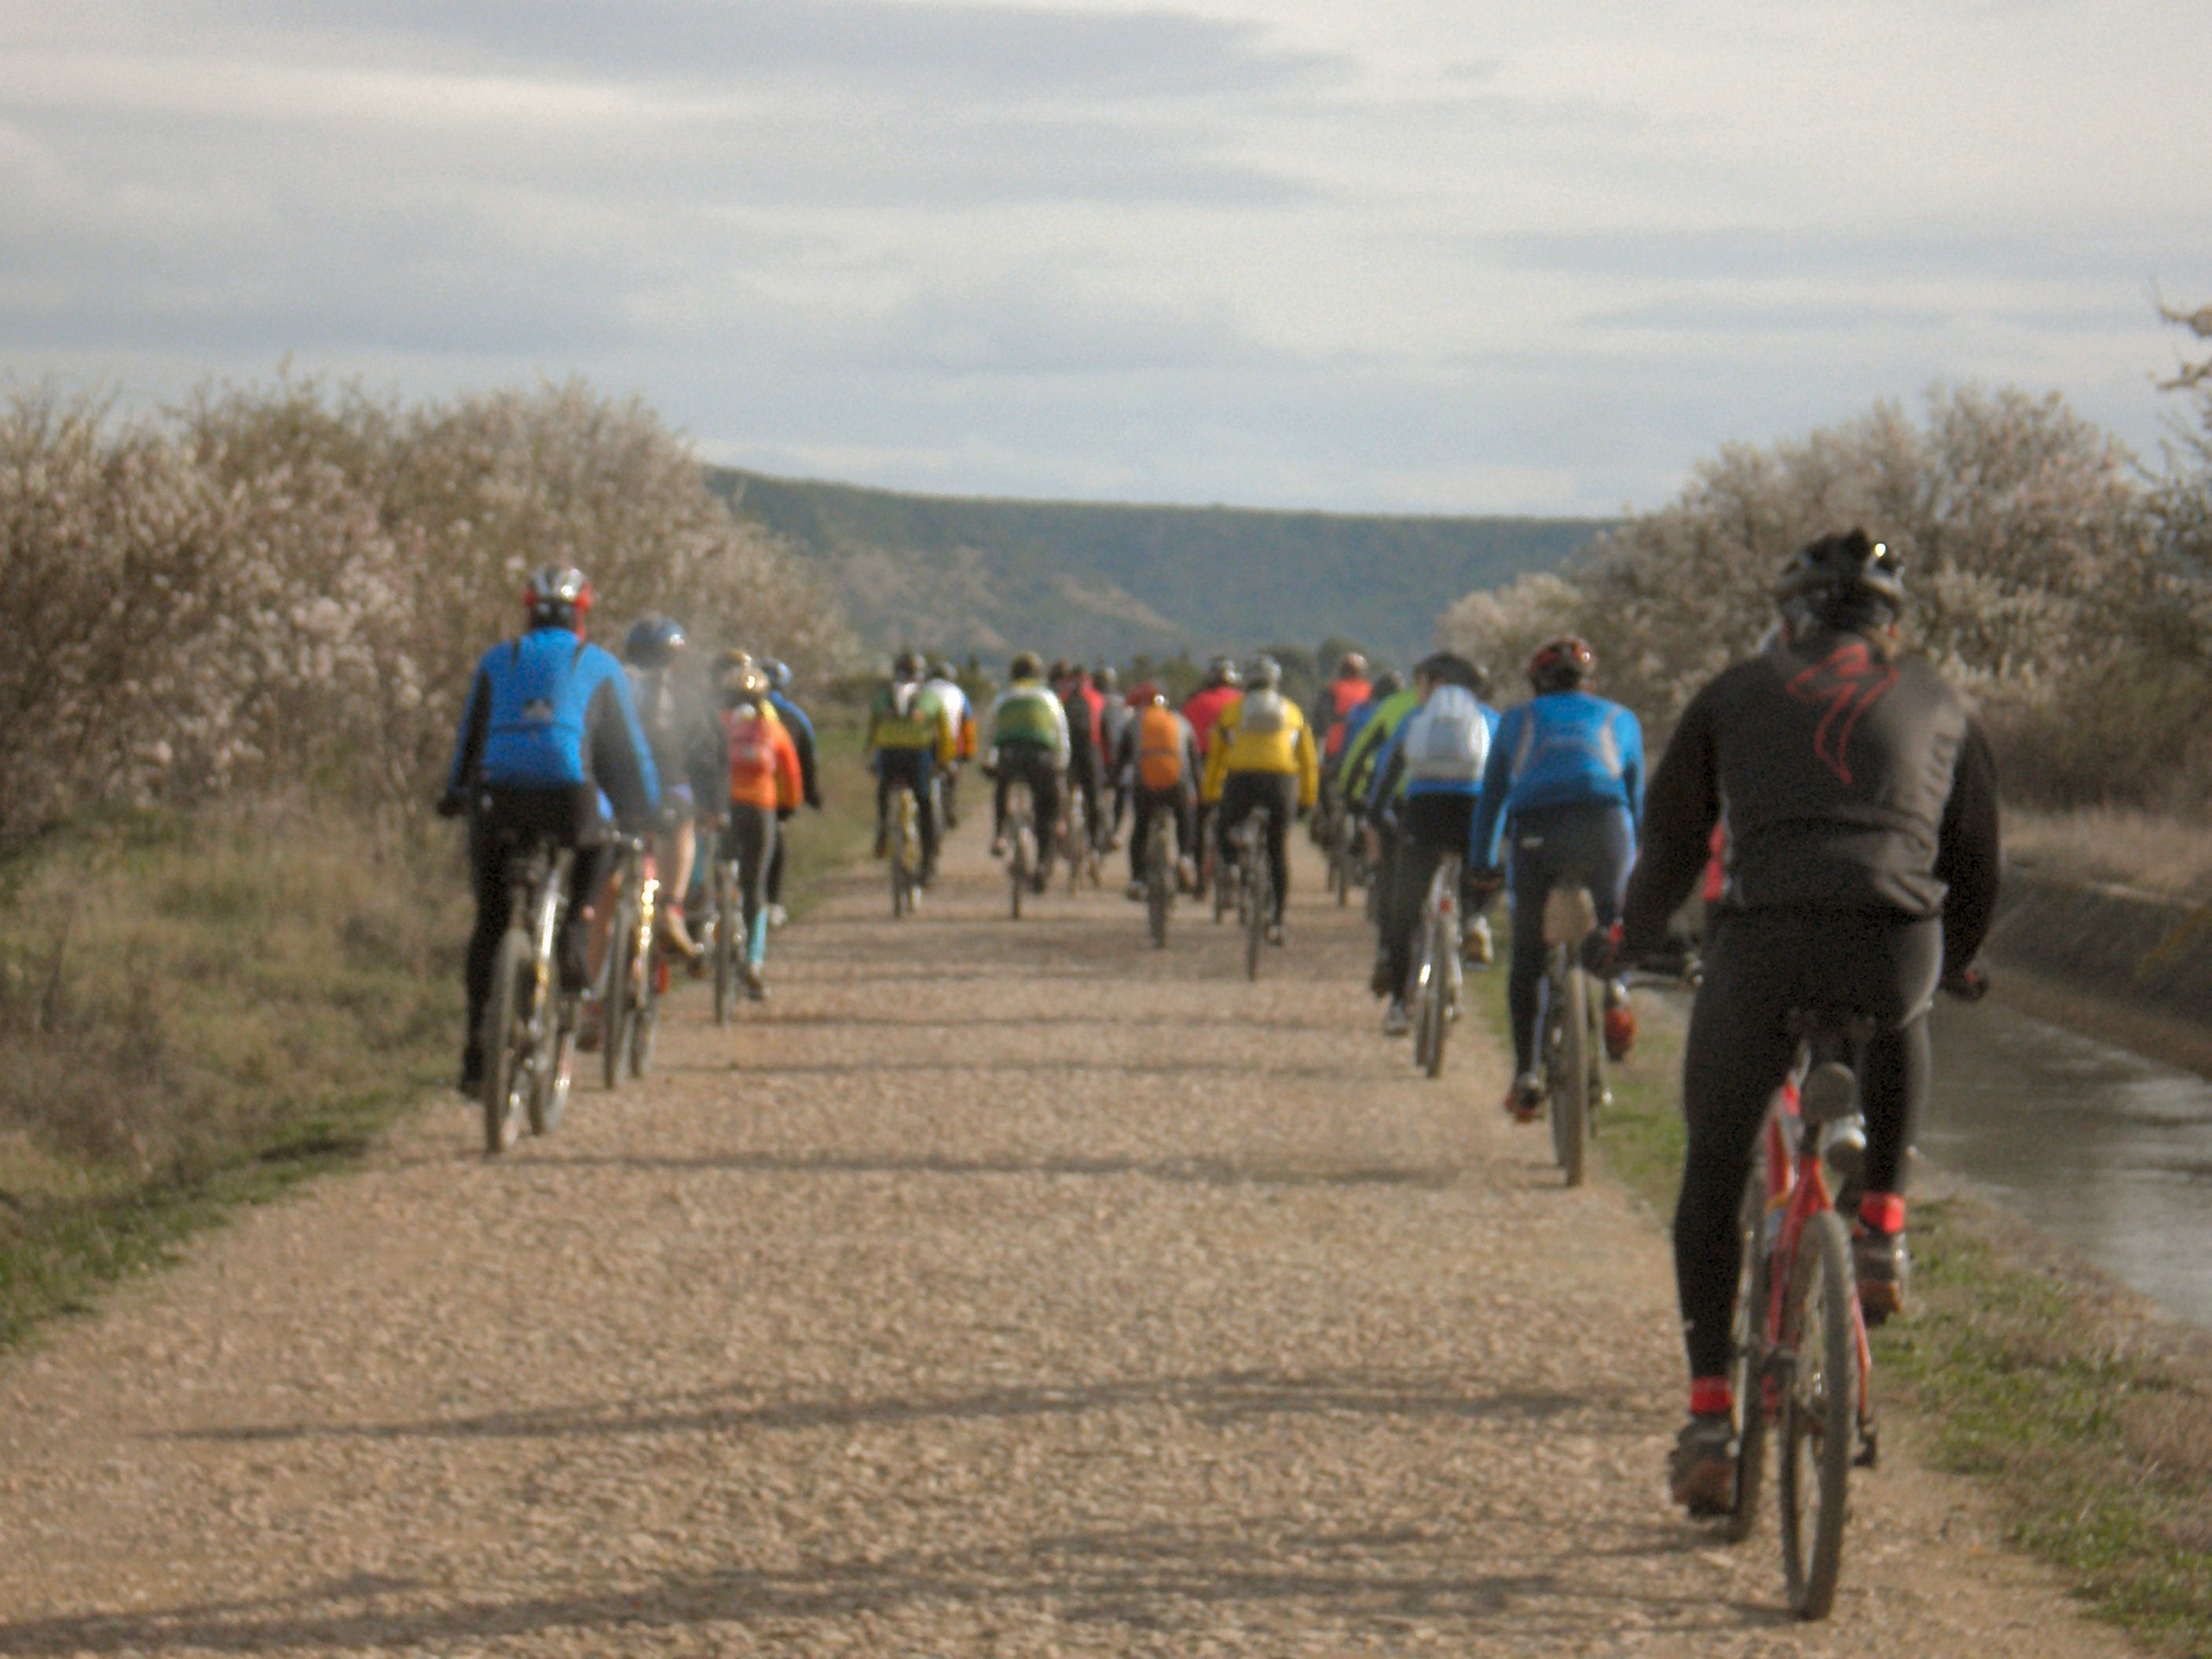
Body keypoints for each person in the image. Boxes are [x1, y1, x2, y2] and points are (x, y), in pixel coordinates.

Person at [1610, 530, 1998, 1514]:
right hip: (1892, 946)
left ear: (1787, 619)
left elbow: (1670, 843)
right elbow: (1976, 861)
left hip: (1763, 945)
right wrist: (1955, 958)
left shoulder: (1732, 692)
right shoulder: (1941, 701)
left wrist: (1627, 941)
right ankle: (1881, 1230)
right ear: (1890, 625)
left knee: (1712, 1168)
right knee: (1903, 1006)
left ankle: (1709, 1420)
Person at [438, 566, 658, 1096]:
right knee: (600, 842)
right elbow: (627, 751)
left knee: (491, 922)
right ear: (582, 615)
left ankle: (476, 1056)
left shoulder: (497, 660)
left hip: (497, 800)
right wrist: (646, 810)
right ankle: (576, 930)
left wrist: (454, 793)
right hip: (570, 800)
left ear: (528, 612)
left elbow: (470, 737)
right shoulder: (599, 664)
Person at [1469, 636, 1644, 1119]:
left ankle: (1526, 1073)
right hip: (1605, 829)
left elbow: (1492, 799)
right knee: (1612, 925)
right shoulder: (1620, 718)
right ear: (1590, 682)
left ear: (1536, 683)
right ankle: (1616, 990)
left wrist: (1482, 861)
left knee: (1529, 955)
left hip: (1538, 831)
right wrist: (1641, 865)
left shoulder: (1516, 720)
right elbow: (1636, 802)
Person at [1364, 654, 1496, 1035]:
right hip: (1473, 811)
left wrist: (1379, 816)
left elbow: (1386, 774)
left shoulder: (1416, 719)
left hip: (1424, 812)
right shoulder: (1490, 718)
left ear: (1436, 684)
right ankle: (1476, 919)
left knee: (1405, 913)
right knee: (1484, 869)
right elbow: (1507, 773)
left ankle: (1399, 1007)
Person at [621, 617, 724, 961]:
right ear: (676, 659)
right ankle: (671, 907)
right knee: (683, 826)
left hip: (616, 789)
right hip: (669, 790)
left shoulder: (615, 685)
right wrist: (713, 807)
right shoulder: (688, 698)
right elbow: (706, 757)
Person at [1199, 654, 1320, 944]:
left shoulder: (1232, 711)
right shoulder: (1293, 712)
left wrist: (1210, 795)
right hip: (1281, 782)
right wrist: (1307, 799)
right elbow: (1308, 761)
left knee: (1225, 826)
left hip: (1242, 779)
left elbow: (1216, 758)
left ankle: (1231, 867)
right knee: (1277, 852)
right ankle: (1276, 923)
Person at [721, 670, 804, 998]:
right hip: (760, 809)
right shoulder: (772, 728)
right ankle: (754, 961)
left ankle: (706, 930)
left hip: (724, 806)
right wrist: (789, 806)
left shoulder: (717, 723)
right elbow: (791, 774)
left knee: (717, 865)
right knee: (755, 884)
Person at [866, 650, 954, 884]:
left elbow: (873, 728)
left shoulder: (884, 696)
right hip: (917, 756)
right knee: (925, 805)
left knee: (884, 790)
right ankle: (928, 864)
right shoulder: (929, 697)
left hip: (889, 755)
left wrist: (870, 755)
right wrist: (945, 761)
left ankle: (883, 833)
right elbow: (944, 733)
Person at [984, 651, 1070, 882]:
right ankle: (1042, 864)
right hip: (1041, 757)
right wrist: (1061, 764)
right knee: (1045, 810)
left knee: (1002, 788)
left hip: (1010, 754)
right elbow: (1061, 734)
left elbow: (991, 733)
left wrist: (988, 760)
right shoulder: (1049, 698)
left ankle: (1000, 835)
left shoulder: (1004, 697)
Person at [1116, 685, 1199, 899]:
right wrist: (1199, 790)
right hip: (1177, 786)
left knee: (1141, 828)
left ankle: (1137, 880)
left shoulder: (1134, 722)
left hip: (1146, 786)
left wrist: (1113, 781)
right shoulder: (1181, 721)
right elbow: (1194, 762)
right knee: (1185, 818)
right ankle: (1185, 858)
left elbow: (1121, 760)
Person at [760, 658, 823, 928]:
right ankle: (773, 902)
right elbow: (807, 760)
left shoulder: (734, 711)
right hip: (775, 793)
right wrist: (812, 796)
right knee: (776, 837)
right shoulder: (795, 716)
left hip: (734, 790)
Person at [1181, 656, 1243, 881]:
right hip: (1234, 764)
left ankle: (1198, 875)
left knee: (1199, 817)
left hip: (1199, 763)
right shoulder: (1243, 702)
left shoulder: (1193, 702)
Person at [924, 658, 976, 830]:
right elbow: (967, 726)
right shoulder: (959, 694)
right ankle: (950, 807)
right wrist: (968, 752)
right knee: (953, 774)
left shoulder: (923, 691)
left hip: (925, 742)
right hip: (952, 746)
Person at [1095, 665, 1132, 848]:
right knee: (1122, 792)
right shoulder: (1124, 704)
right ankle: (1116, 832)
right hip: (1119, 759)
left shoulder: (1093, 701)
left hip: (1096, 758)